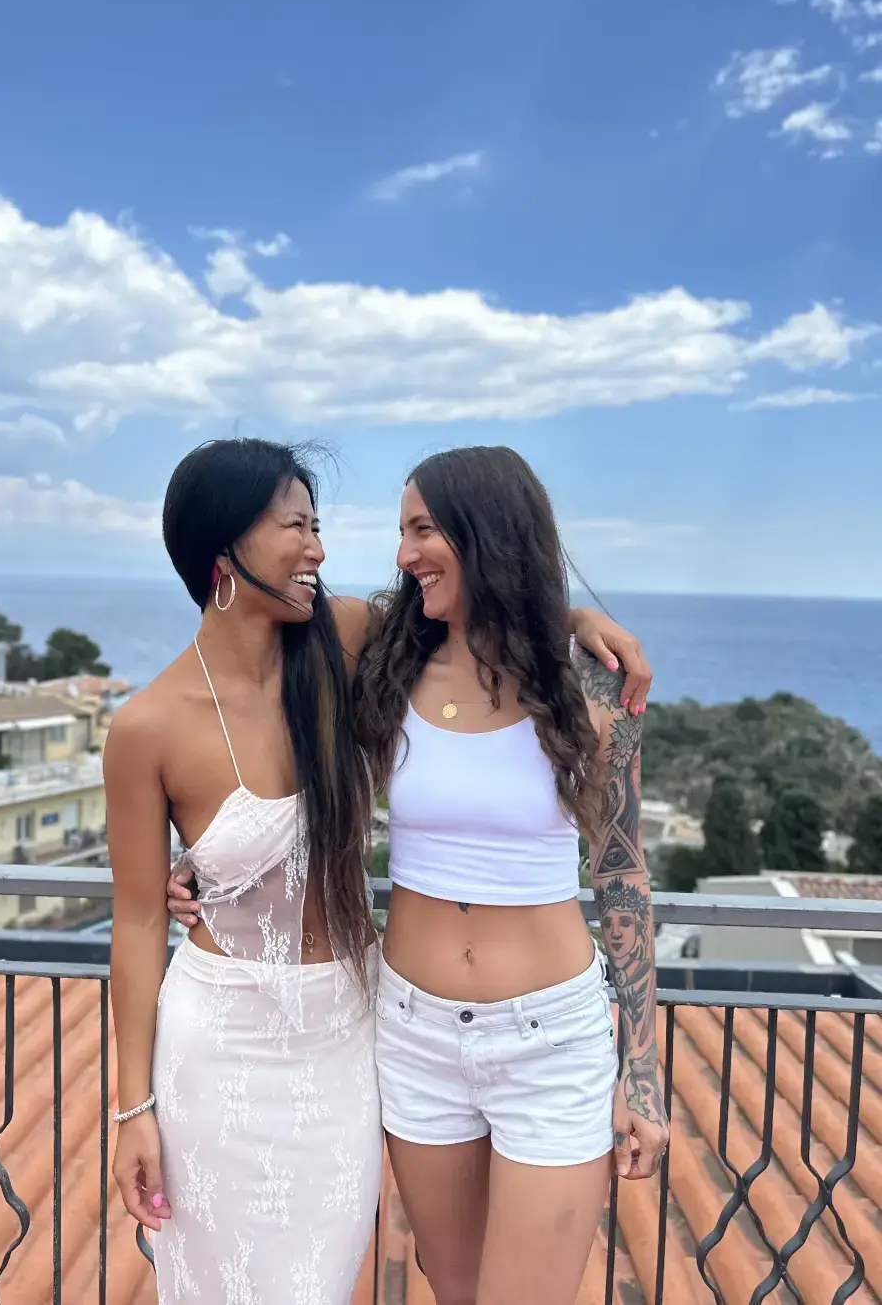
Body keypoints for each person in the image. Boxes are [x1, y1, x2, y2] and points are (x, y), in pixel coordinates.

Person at [166, 442, 665, 1305]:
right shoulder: (388, 656)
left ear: (488, 532)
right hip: (414, 1035)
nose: (404, 553)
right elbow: (246, 682)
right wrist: (209, 850)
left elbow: (623, 876)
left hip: (550, 1042)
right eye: (403, 532)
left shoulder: (590, 686)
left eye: (424, 529)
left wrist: (645, 1076)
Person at [106, 439, 382, 1305]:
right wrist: (132, 1109)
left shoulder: (341, 644)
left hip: (344, 1035)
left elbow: (470, 613)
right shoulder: (147, 726)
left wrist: (578, 623)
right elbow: (138, 921)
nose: (318, 550)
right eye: (296, 526)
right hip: (218, 1049)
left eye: (317, 526)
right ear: (224, 550)